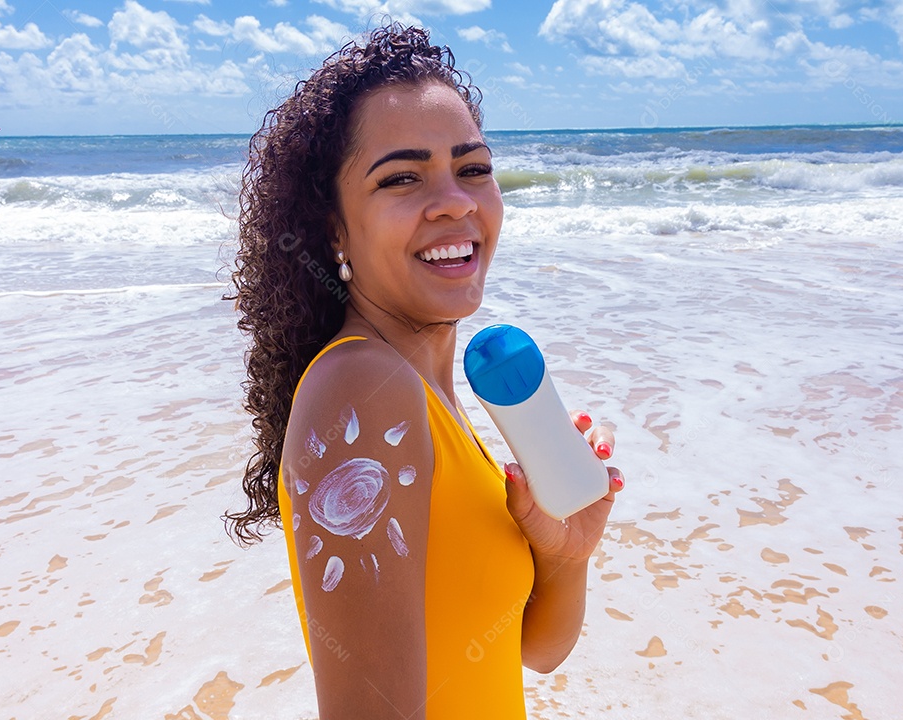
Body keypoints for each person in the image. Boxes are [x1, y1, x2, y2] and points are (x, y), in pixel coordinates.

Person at [225, 23, 624, 719]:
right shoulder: (362, 394)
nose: (456, 202)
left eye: (473, 168)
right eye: (402, 178)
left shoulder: (429, 395)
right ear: (332, 229)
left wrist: (564, 555)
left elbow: (529, 650)